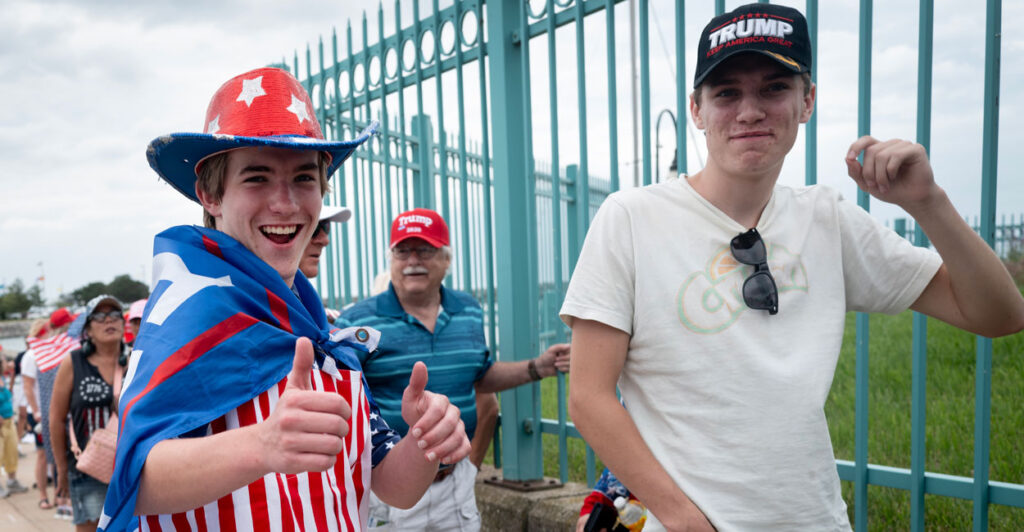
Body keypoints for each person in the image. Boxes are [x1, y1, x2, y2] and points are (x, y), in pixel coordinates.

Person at [561, 4, 1024, 531]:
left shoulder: (827, 219)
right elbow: (590, 397)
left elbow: (998, 315)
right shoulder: (631, 219)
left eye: (774, 88)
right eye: (726, 92)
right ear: (696, 109)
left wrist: (928, 202)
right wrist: (685, 520)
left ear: (807, 101)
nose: (750, 111)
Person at [99, 66, 471, 532]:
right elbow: (134, 482)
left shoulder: (325, 336)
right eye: (256, 178)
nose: (285, 203)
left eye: (303, 179)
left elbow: (393, 485)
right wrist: (262, 445)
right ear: (210, 195)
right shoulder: (186, 322)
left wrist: (426, 441)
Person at [339, 207, 571, 531]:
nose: (413, 260)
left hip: (455, 483)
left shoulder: (469, 310)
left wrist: (537, 367)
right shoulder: (357, 323)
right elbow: (345, 399)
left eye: (425, 249)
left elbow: (479, 376)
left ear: (446, 259)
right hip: (390, 489)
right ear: (390, 259)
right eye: (403, 251)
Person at [49, 295, 128, 531]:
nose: (108, 321)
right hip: (87, 468)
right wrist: (61, 469)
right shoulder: (73, 363)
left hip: (129, 467)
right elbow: (56, 419)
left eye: (115, 315)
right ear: (88, 329)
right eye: (100, 316)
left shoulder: (136, 359)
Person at [18, 319, 56, 512]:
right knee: (42, 455)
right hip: (40, 413)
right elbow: (27, 386)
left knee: (59, 455)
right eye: (50, 330)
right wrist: (36, 411)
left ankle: (60, 494)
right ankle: (43, 495)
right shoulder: (31, 356)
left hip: (55, 411)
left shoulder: (51, 352)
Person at [0, 352, 30, 498]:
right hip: (1, 423)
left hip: (8, 420)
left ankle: (12, 481)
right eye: (5, 361)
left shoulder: (3, 378)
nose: (8, 363)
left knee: (11, 452)